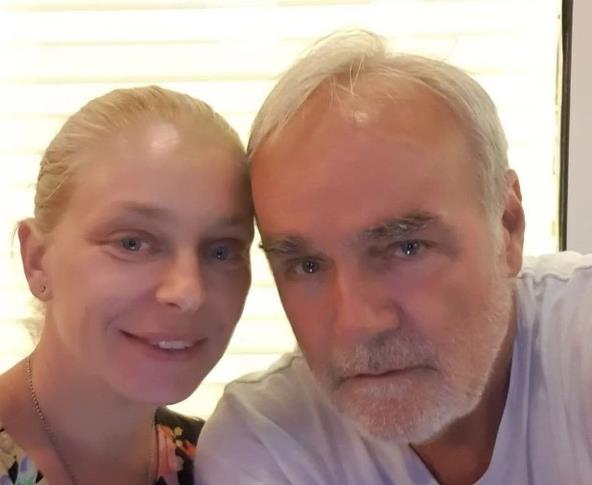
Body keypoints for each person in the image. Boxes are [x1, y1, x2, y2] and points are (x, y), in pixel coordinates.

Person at [195, 30, 592, 484]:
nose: (357, 324)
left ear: (507, 225)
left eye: (406, 248)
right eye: (307, 265)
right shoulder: (270, 440)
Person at [0, 85, 254, 484]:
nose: (188, 292)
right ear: (37, 261)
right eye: (132, 243)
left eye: (221, 250)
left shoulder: (231, 467)